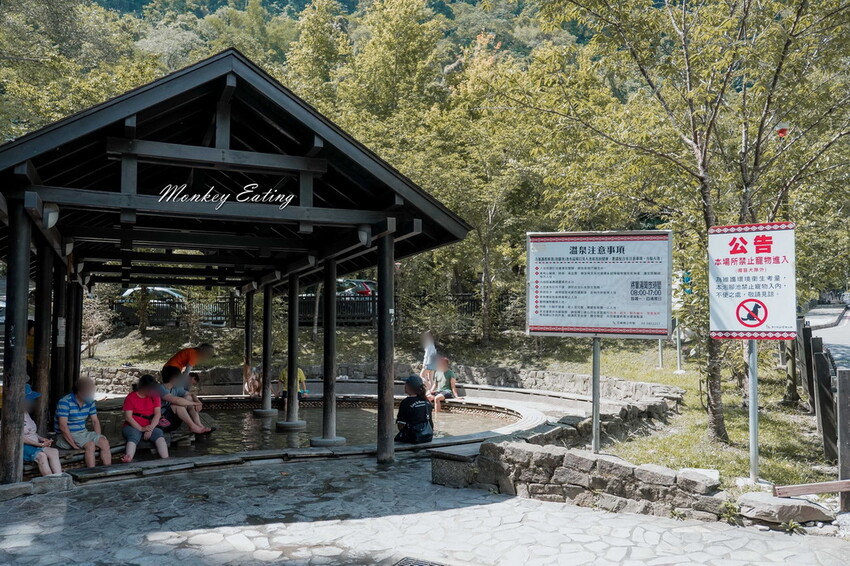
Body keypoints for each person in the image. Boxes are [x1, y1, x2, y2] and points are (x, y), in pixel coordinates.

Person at [55, 378, 112, 467]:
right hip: (67, 435)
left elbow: (95, 421)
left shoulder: (90, 401)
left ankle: (108, 470)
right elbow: (63, 426)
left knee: (104, 442)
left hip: (83, 433)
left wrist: (97, 437)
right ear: (79, 391)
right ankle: (91, 472)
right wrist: (73, 445)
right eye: (88, 391)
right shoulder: (65, 402)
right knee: (90, 445)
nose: (90, 393)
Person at [121, 374, 168, 463]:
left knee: (159, 434)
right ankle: (128, 458)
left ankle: (166, 458)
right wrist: (141, 428)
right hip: (132, 425)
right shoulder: (131, 397)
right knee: (134, 435)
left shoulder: (155, 395)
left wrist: (150, 428)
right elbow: (128, 417)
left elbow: (157, 414)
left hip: (150, 424)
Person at [18, 384, 63, 476]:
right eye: (28, 399)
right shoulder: (14, 415)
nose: (31, 402)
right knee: (42, 456)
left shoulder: (25, 412)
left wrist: (42, 439)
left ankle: (59, 478)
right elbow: (20, 438)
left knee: (54, 452)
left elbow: (31, 432)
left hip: (34, 444)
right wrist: (40, 444)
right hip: (21, 447)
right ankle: (50, 481)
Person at [157, 365, 210, 434]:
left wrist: (198, 401)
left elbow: (191, 394)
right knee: (178, 406)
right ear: (173, 379)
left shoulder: (174, 389)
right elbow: (176, 400)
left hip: (171, 419)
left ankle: (198, 424)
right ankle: (193, 427)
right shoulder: (160, 388)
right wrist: (195, 403)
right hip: (161, 422)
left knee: (188, 398)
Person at [395, 375, 433, 444]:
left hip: (414, 438)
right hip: (427, 437)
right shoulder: (426, 401)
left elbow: (400, 424)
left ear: (409, 386)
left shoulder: (406, 402)